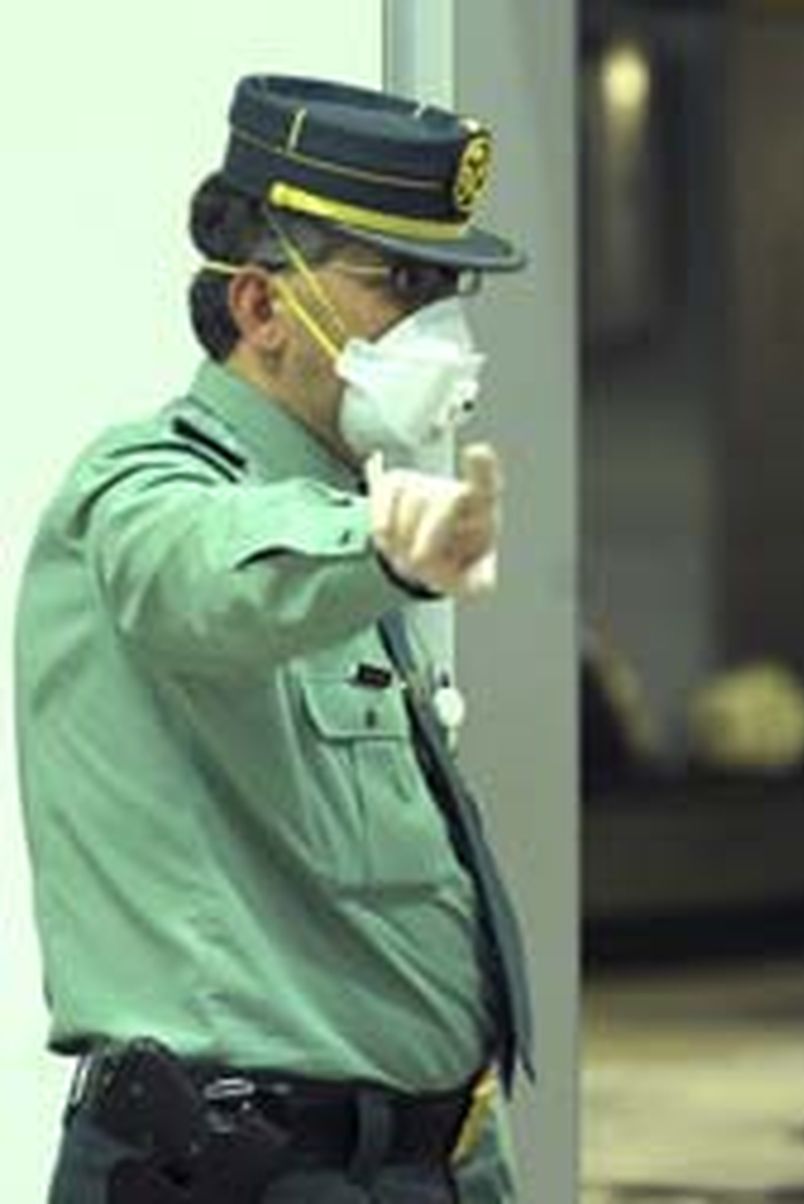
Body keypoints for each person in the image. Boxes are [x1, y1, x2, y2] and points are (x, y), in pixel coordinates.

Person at [17, 74, 535, 1203]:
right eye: (399, 283)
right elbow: (199, 575)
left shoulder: (340, 501)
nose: (440, 324)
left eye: (450, 286)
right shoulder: (146, 486)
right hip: (237, 1165)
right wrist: (387, 545)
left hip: (412, 1159)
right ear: (261, 307)